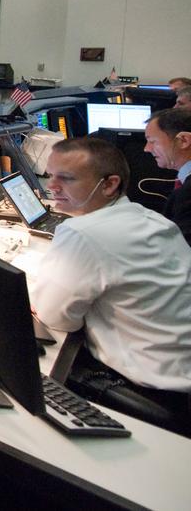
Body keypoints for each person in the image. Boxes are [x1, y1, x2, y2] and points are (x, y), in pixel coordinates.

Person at [29, 137, 191, 430]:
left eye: (66, 178)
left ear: (109, 185)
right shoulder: (154, 220)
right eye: (49, 175)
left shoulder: (82, 232)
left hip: (153, 394)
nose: (52, 186)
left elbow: (55, 317)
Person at [145, 108, 191, 245]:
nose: (146, 149)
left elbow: (182, 250)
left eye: (152, 141)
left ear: (183, 140)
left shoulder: (187, 193)